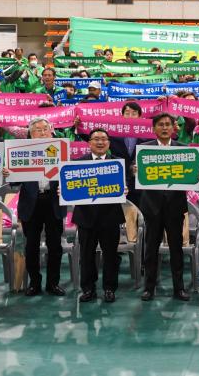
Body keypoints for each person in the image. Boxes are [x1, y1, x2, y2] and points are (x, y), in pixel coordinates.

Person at [3, 118, 66, 296]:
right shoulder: (22, 152)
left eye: (45, 128)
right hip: (31, 203)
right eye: (38, 129)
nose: (43, 132)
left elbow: (70, 175)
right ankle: (34, 283)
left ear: (51, 131)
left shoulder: (61, 149)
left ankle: (53, 283)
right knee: (31, 246)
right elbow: (14, 183)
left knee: (55, 246)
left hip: (53, 202)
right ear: (30, 134)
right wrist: (9, 173)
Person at [139, 113, 190, 301]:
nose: (165, 127)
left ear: (174, 128)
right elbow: (133, 171)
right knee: (151, 249)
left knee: (176, 249)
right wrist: (134, 170)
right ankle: (149, 288)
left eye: (168, 124)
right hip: (152, 206)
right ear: (154, 128)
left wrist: (197, 177)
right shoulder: (144, 149)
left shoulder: (183, 149)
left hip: (175, 206)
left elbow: (191, 176)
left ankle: (179, 288)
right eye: (161, 124)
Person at [73, 128, 125, 303]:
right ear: (89, 143)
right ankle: (88, 289)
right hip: (85, 217)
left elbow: (126, 184)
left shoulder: (118, 163)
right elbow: (70, 187)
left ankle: (109, 288)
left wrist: (125, 188)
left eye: (104, 139)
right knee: (86, 255)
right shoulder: (77, 163)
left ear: (109, 143)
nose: (100, 142)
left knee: (111, 255)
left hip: (110, 217)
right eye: (96, 139)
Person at [109, 101, 150, 206]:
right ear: (122, 115)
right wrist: (79, 126)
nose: (130, 116)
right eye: (127, 113)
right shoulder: (113, 133)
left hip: (139, 182)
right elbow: (92, 138)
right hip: (118, 180)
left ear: (140, 116)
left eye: (134, 113)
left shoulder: (147, 135)